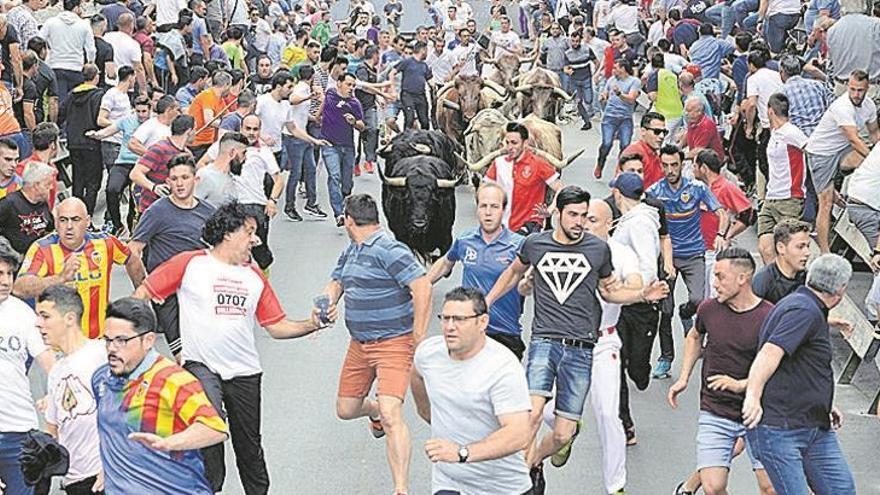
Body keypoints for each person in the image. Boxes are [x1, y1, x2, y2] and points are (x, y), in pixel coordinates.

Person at [135, 201, 329, 494]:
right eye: (249, 232)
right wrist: (134, 340)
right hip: (200, 365)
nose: (256, 240)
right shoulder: (190, 263)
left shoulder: (254, 277)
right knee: (209, 431)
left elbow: (277, 327)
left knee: (249, 449)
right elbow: (143, 293)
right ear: (228, 233)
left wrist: (312, 324)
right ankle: (209, 488)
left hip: (245, 372)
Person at [485, 185, 668, 490]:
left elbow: (610, 290)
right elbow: (514, 274)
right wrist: (485, 304)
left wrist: (641, 294)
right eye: (573, 215)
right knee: (531, 414)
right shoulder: (535, 244)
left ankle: (532, 462)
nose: (579, 222)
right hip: (545, 340)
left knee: (562, 434)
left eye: (584, 216)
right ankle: (516, 484)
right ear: (557, 214)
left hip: (583, 347)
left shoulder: (599, 251)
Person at [322, 193, 431, 495]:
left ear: (347, 220)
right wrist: (328, 301)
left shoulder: (389, 250)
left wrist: (419, 334)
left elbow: (421, 285)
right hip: (359, 344)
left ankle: (400, 488)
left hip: (394, 342)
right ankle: (373, 413)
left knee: (392, 413)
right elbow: (337, 281)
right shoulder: (351, 250)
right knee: (345, 408)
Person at [743, 254, 857, 494]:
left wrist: (822, 400)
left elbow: (802, 364)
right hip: (782, 429)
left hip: (814, 424)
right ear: (840, 289)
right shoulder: (803, 310)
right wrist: (752, 395)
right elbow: (769, 353)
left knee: (841, 490)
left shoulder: (808, 307)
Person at [667, 248, 776, 495]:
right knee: (713, 487)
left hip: (759, 412)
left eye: (719, 277)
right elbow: (695, 336)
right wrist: (683, 378)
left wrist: (742, 384)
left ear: (743, 278)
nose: (714, 284)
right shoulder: (708, 309)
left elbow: (779, 365)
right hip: (716, 409)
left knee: (770, 488)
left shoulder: (768, 316)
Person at [93, 297, 228, 494]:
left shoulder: (173, 379)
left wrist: (169, 443)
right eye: (107, 340)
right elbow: (111, 431)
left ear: (148, 340)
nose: (112, 348)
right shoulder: (100, 378)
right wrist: (109, 467)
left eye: (121, 340)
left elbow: (215, 429)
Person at [410, 287, 532, 495]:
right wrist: (430, 414)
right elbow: (417, 375)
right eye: (445, 318)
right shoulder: (428, 353)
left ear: (482, 322)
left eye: (459, 319)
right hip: (449, 481)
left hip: (502, 487)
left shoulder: (503, 366)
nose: (450, 327)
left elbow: (519, 434)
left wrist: (462, 452)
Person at [647, 144, 728, 379]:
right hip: (667, 257)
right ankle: (666, 358)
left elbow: (721, 212)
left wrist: (721, 235)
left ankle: (687, 313)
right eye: (665, 165)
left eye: (675, 165)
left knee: (698, 300)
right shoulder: (654, 192)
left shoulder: (697, 188)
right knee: (665, 310)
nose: (670, 170)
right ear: (660, 165)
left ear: (683, 164)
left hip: (694, 253)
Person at [14, 197, 145, 338]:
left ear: (88, 221)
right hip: (59, 346)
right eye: (63, 220)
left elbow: (132, 259)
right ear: (56, 222)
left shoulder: (105, 243)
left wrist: (140, 297)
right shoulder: (42, 248)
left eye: (76, 220)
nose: (69, 226)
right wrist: (60, 278)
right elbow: (19, 288)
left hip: (98, 340)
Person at [427, 183, 527, 359]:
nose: (488, 212)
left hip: (504, 332)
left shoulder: (519, 245)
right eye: (483, 206)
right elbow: (444, 264)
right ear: (477, 209)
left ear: (503, 210)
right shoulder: (465, 240)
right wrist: (419, 286)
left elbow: (527, 280)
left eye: (494, 207)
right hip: (469, 332)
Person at [129, 156, 214, 356]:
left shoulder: (209, 212)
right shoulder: (156, 212)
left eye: (185, 177)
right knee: (183, 355)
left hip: (199, 290)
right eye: (174, 179)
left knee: (205, 352)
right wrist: (146, 287)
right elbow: (132, 251)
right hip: (167, 293)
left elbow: (220, 250)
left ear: (196, 180)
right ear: (168, 182)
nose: (179, 183)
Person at [607, 170, 663, 446]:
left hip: (640, 303)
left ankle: (640, 371)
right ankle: (624, 423)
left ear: (618, 194)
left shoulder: (639, 223)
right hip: (623, 302)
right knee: (617, 362)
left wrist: (641, 293)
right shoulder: (628, 220)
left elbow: (648, 263)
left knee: (636, 369)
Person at [37, 285, 106, 495]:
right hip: (74, 482)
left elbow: (130, 414)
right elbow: (53, 429)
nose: (38, 323)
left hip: (104, 478)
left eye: (45, 316)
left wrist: (112, 467)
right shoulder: (57, 372)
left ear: (69, 318)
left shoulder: (102, 355)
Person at [805, 69, 880, 254]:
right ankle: (825, 252)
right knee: (826, 201)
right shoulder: (842, 106)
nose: (856, 94)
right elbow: (854, 139)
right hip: (821, 153)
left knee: (864, 162)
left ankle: (852, 197)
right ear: (847, 86)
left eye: (860, 90)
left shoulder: (869, 106)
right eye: (853, 89)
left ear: (867, 88)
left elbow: (874, 134)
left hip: (842, 149)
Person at [0, 241, 54, 495]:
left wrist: (54, 395)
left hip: (18, 432)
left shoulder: (23, 314)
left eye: (9, 273)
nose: (6, 281)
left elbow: (49, 362)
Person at [86, 95, 153, 236]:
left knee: (136, 199)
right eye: (138, 111)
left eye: (144, 112)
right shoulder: (127, 121)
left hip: (141, 165)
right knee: (112, 189)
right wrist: (96, 135)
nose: (141, 115)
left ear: (149, 110)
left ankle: (134, 228)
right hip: (123, 162)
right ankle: (117, 224)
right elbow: (108, 131)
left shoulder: (153, 124)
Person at [484, 123, 563, 235]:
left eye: (514, 143)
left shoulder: (538, 164)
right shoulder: (498, 163)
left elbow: (560, 188)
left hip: (528, 227)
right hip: (501, 226)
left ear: (525, 143)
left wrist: (550, 209)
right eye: (507, 142)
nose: (510, 147)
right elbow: (484, 189)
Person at [758, 93, 808, 263]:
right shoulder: (775, 133)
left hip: (789, 199)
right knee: (765, 248)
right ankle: (775, 285)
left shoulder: (791, 132)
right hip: (771, 197)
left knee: (790, 250)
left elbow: (811, 150)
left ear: (770, 111)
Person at [283, 65, 330, 221]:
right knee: (296, 173)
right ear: (312, 78)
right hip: (293, 137)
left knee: (310, 170)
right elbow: (292, 99)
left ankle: (311, 203)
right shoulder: (301, 89)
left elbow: (302, 112)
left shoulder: (305, 89)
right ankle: (290, 206)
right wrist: (310, 97)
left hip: (303, 136)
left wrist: (315, 116)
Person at [39, 0, 96, 124]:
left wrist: (47, 53)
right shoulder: (84, 25)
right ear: (76, 7)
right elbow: (91, 49)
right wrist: (90, 62)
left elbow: (39, 40)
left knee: (57, 100)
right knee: (75, 101)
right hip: (76, 67)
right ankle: (71, 128)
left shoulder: (50, 22)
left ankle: (58, 128)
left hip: (55, 65)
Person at [320, 72, 365, 226]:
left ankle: (345, 199)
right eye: (348, 84)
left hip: (347, 146)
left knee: (347, 182)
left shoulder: (354, 103)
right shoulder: (330, 94)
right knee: (334, 176)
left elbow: (362, 125)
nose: (351, 88)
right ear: (339, 83)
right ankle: (339, 213)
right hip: (329, 145)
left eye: (353, 85)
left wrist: (354, 122)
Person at [129, 115, 195, 217]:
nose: (196, 133)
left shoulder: (187, 154)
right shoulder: (159, 149)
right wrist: (154, 187)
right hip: (152, 209)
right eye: (195, 129)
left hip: (173, 210)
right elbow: (135, 174)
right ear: (189, 131)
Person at [65, 64, 106, 216]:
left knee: (78, 179)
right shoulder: (99, 95)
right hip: (91, 142)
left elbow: (62, 113)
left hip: (74, 143)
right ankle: (87, 214)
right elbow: (99, 118)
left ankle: (75, 211)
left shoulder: (71, 94)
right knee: (93, 181)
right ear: (96, 77)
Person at [596, 60, 641, 179]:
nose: (613, 70)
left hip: (625, 118)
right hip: (610, 117)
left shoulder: (634, 81)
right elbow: (605, 92)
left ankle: (620, 170)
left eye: (615, 68)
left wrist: (619, 94)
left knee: (625, 145)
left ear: (623, 69)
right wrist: (603, 97)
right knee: (607, 143)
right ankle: (600, 164)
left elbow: (632, 99)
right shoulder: (611, 80)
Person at [0, 161, 55, 255]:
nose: (51, 187)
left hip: (38, 257)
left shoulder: (43, 203)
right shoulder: (8, 203)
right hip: (16, 261)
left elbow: (50, 229)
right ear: (36, 185)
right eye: (48, 184)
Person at [752, 219, 810, 303]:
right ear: (781, 248)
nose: (808, 253)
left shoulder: (807, 278)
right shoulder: (763, 282)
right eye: (800, 247)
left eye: (808, 246)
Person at [195, 131, 249, 207]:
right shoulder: (205, 175)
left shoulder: (235, 180)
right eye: (243, 153)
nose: (245, 158)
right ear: (232, 152)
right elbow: (192, 208)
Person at [188, 71, 232, 160]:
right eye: (230, 86)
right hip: (197, 144)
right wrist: (227, 126)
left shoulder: (220, 99)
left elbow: (229, 117)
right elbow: (209, 121)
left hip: (209, 142)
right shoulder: (208, 95)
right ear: (226, 85)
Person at [620, 112, 667, 188]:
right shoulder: (634, 153)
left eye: (664, 132)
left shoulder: (654, 153)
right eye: (657, 132)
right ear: (643, 131)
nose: (662, 136)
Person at [563, 32, 596, 131]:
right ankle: (587, 121)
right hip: (574, 80)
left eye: (577, 41)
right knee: (578, 101)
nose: (575, 43)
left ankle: (590, 112)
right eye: (573, 41)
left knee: (588, 99)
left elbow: (596, 62)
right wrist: (567, 71)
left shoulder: (587, 50)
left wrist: (595, 74)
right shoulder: (567, 53)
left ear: (580, 40)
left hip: (586, 78)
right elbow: (565, 67)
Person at [397, 41, 433, 130]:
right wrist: (394, 88)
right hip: (408, 94)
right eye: (426, 50)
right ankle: (405, 140)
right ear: (423, 50)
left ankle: (425, 140)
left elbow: (430, 80)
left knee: (424, 121)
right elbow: (392, 72)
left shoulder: (424, 65)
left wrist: (435, 88)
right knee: (410, 118)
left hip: (420, 95)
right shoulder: (407, 62)